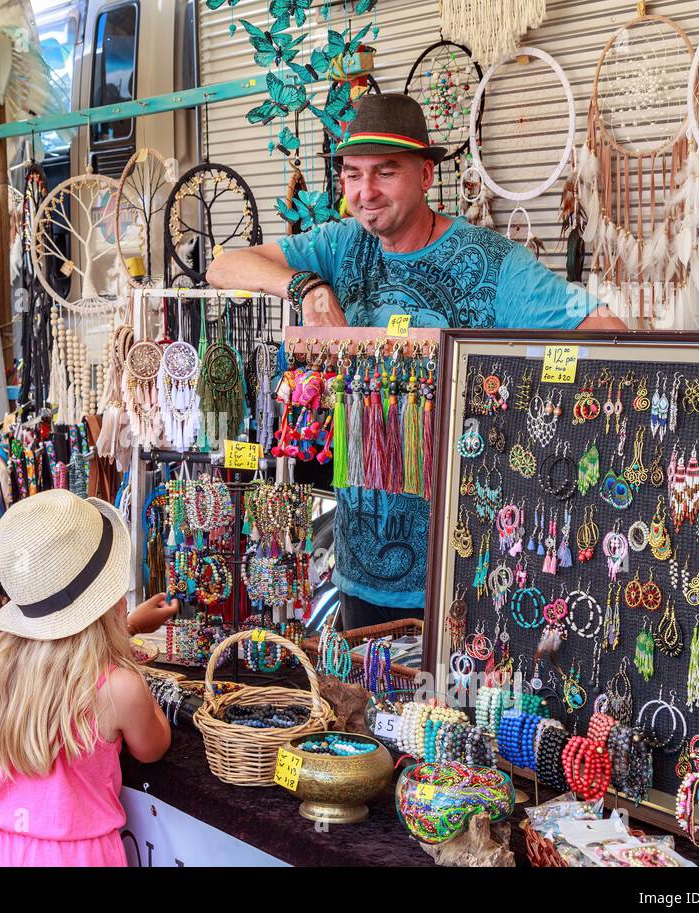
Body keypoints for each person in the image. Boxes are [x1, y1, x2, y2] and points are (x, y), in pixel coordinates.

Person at [206, 93, 627, 631]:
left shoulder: (493, 264)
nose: (366, 192)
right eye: (353, 175)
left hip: (468, 572)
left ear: (426, 174)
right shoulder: (342, 247)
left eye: (385, 173)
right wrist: (304, 285)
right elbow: (223, 266)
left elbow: (606, 334)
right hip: (358, 571)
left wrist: (516, 392)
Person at [0, 489, 177, 866]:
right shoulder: (119, 687)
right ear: (111, 598)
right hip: (79, 855)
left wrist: (124, 628)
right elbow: (152, 746)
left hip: (0, 849)